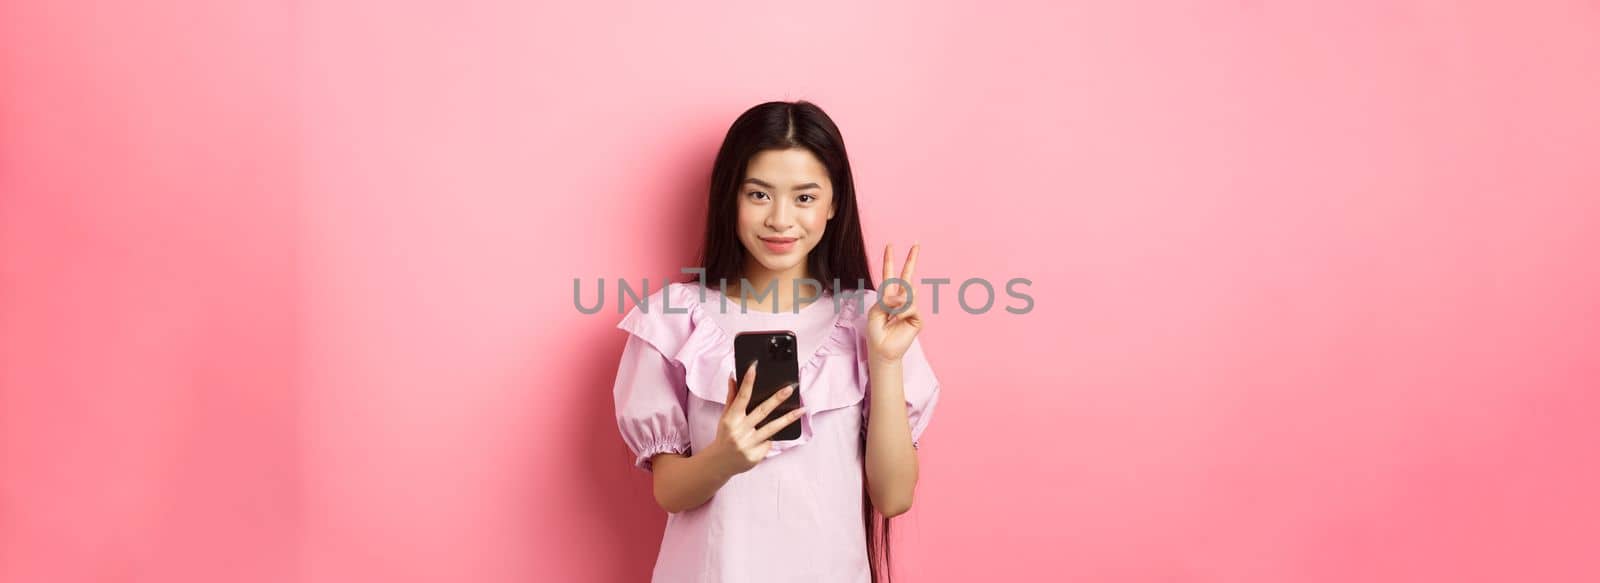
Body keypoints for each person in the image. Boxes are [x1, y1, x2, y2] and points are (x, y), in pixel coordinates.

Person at [611, 100, 941, 582]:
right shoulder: (674, 317)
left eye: (804, 197)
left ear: (833, 205)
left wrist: (885, 360)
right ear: (731, 198)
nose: (781, 220)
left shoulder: (873, 319)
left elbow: (893, 498)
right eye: (759, 195)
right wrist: (724, 458)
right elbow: (669, 492)